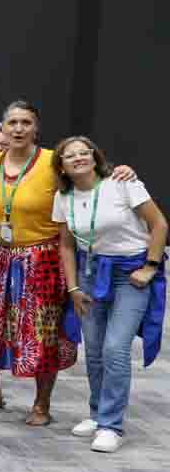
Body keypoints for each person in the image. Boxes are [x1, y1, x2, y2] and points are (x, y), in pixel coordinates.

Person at [0, 102, 114, 426]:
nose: (18, 129)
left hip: (41, 257)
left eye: (26, 122)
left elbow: (88, 183)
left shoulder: (52, 163)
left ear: (36, 127)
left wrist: (122, 172)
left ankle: (41, 403)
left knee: (42, 333)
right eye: (12, 122)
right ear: (2, 127)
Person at [54, 137, 167, 453]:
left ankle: (111, 425)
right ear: (61, 166)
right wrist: (73, 288)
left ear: (95, 157)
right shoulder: (63, 197)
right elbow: (66, 246)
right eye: (70, 155)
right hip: (91, 273)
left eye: (84, 152)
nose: (78, 158)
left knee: (115, 348)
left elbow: (159, 224)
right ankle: (97, 413)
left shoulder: (122, 183)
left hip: (129, 273)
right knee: (93, 350)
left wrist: (150, 266)